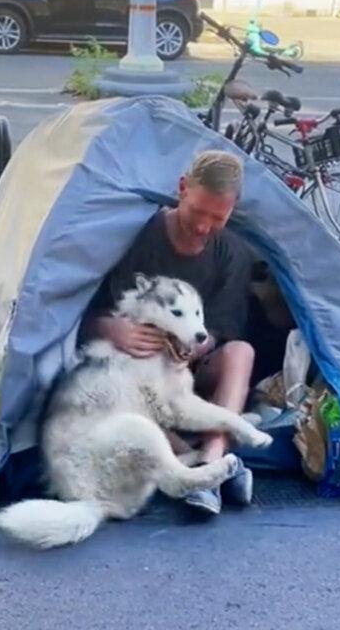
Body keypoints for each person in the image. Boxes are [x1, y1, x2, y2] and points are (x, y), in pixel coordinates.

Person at [81, 150, 256, 517]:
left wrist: (201, 344)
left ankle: (212, 458)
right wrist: (110, 328)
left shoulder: (232, 252)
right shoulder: (138, 236)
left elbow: (225, 328)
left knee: (241, 352)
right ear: (181, 189)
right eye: (198, 212)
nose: (203, 227)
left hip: (191, 372)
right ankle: (192, 463)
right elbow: (79, 306)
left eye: (217, 218)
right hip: (139, 372)